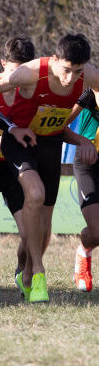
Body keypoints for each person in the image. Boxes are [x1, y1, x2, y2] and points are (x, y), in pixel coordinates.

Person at [0, 33, 99, 302]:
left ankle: (27, 272)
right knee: (35, 193)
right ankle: (40, 272)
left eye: (78, 72)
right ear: (55, 59)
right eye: (66, 70)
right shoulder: (32, 73)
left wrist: (85, 139)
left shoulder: (88, 75)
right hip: (20, 139)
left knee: (45, 222)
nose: (71, 79)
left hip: (50, 143)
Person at [0, 37, 34, 285]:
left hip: (14, 169)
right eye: (14, 71)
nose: (18, 78)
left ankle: (21, 271)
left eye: (24, 72)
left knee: (28, 234)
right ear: (3, 64)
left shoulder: (32, 91)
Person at [70, 87, 99, 292]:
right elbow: (62, 123)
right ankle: (84, 252)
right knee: (97, 231)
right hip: (88, 161)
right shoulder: (91, 90)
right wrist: (81, 141)